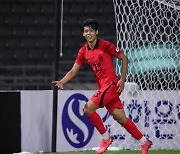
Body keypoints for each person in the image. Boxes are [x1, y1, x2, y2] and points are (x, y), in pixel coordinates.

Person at [52, 19, 153, 154]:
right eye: (86, 31)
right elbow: (73, 70)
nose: (89, 33)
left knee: (87, 108)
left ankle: (106, 138)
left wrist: (122, 79)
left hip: (111, 84)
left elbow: (124, 58)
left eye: (91, 30)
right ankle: (144, 142)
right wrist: (62, 81)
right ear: (83, 34)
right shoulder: (83, 51)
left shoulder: (106, 45)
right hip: (102, 87)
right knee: (121, 118)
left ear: (96, 32)